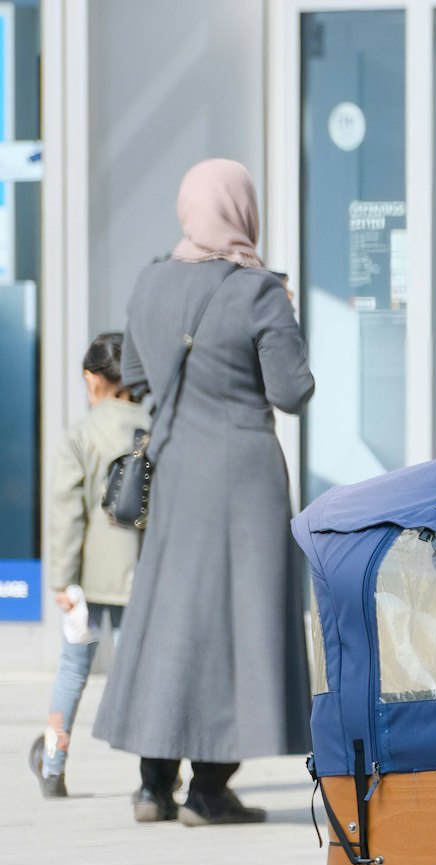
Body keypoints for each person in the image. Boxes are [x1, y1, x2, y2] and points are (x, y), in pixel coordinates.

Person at [93, 158, 316, 826]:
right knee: (239, 623)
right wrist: (288, 320)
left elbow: (134, 373)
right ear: (243, 209)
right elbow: (292, 392)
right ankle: (211, 788)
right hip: (244, 473)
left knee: (169, 618)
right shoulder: (259, 292)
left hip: (176, 465)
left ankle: (152, 785)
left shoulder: (150, 280)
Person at [29, 333, 148, 798]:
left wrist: (61, 579)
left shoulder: (81, 434)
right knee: (141, 675)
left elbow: (66, 512)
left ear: (92, 378)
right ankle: (158, 778)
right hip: (148, 578)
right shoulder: (157, 426)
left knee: (73, 670)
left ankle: (54, 767)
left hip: (90, 582)